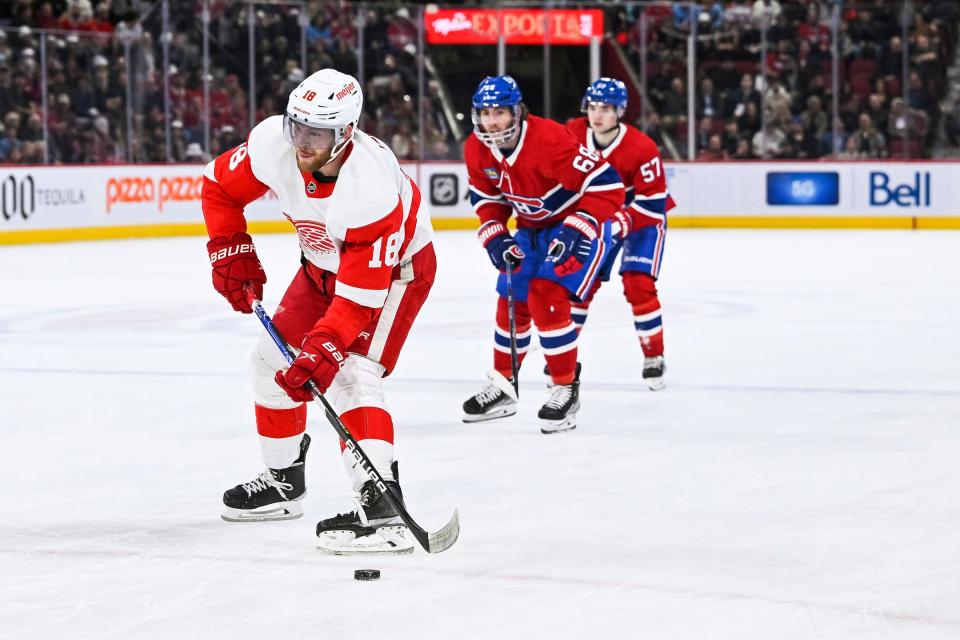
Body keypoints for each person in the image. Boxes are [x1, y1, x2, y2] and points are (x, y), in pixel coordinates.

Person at [200, 69, 436, 555]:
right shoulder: (273, 143)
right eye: (297, 126)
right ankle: (284, 482)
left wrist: (326, 347)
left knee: (351, 372)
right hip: (321, 265)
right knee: (269, 363)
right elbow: (219, 186)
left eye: (316, 132)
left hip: (395, 272)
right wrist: (230, 248)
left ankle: (382, 508)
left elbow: (359, 299)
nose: (301, 141)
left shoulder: (369, 189)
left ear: (345, 133)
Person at [461, 75, 624, 433]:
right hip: (532, 229)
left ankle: (565, 387)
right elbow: (488, 199)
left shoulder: (549, 140)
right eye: (485, 113)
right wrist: (496, 235)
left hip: (581, 225)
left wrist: (576, 227)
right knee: (511, 297)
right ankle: (504, 386)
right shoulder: (476, 147)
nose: (492, 122)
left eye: (500, 113)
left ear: (517, 112)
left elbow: (608, 186)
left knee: (545, 293)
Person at [565, 78, 674, 390]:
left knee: (638, 284)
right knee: (580, 285)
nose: (597, 115)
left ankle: (654, 356)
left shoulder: (642, 147)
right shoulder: (571, 133)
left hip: (641, 219)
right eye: (593, 107)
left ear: (620, 112)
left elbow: (653, 203)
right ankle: (564, 355)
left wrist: (620, 222)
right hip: (599, 218)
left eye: (606, 109)